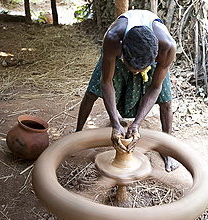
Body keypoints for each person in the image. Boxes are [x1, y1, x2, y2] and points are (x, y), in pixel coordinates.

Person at [76, 9, 178, 172]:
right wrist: (115, 124)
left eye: (141, 70)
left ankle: (168, 150)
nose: (136, 74)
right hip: (118, 52)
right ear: (123, 52)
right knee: (92, 92)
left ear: (155, 57)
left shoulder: (167, 48)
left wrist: (137, 124)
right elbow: (106, 82)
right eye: (133, 69)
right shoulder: (113, 39)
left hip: (148, 54)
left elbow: (155, 87)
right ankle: (77, 132)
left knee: (166, 101)